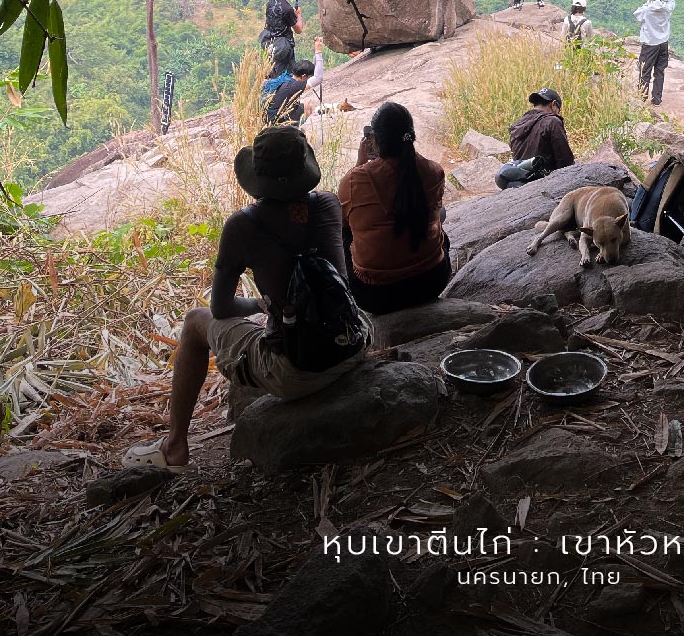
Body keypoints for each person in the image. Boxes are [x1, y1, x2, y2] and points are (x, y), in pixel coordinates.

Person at [122, 126, 369, 471]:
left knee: (195, 322)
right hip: (353, 342)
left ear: (259, 178)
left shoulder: (242, 225)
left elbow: (221, 308)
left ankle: (175, 446)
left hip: (298, 370)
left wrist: (260, 304)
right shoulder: (327, 204)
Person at [337, 102, 451, 315]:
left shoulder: (355, 181)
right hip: (432, 281)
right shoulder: (434, 171)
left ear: (375, 139)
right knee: (438, 215)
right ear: (411, 135)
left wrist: (360, 164)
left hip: (376, 296)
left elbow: (344, 221)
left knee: (344, 231)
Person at [495, 87, 575, 189]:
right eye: (558, 110)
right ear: (553, 104)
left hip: (519, 180)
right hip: (545, 183)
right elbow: (565, 161)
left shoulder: (517, 126)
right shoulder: (552, 121)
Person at [262, 36, 325, 126]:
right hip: (278, 120)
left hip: (269, 116)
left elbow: (315, 74)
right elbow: (318, 78)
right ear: (304, 76)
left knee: (306, 104)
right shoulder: (294, 86)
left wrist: (316, 50)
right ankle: (297, 128)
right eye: (309, 77)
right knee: (308, 106)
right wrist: (318, 51)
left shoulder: (287, 77)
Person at [635, 0, 675, 106]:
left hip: (649, 44)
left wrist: (649, 1)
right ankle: (657, 99)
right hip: (663, 44)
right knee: (659, 71)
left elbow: (637, 14)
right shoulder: (667, 8)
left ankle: (642, 98)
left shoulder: (646, 10)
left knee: (645, 71)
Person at [259, 0, 303, 76]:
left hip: (269, 43)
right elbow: (299, 29)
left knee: (271, 72)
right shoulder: (287, 8)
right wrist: (298, 15)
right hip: (283, 47)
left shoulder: (271, 1)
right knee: (285, 75)